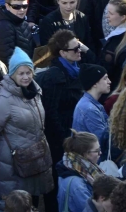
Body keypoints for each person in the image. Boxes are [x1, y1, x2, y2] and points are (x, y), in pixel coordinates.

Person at [0, 47, 53, 199]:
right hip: (14, 162)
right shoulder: (4, 100)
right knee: (19, 203)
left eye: (29, 72)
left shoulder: (34, 92)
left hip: (36, 156)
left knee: (32, 200)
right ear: (13, 74)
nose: (26, 77)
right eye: (21, 73)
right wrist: (4, 151)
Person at [39, 30, 87, 165]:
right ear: (62, 53)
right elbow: (50, 112)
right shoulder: (55, 77)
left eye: (80, 46)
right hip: (61, 138)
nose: (79, 51)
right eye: (75, 48)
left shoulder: (75, 69)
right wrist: (64, 138)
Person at [56, 131, 104, 212]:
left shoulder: (71, 165)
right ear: (85, 154)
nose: (100, 153)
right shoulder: (77, 186)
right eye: (97, 150)